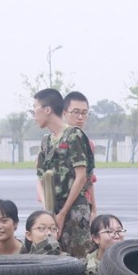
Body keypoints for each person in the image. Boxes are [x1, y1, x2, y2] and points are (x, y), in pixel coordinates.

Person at [32, 88, 94, 259]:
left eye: (34, 109)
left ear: (47, 110)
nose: (33, 115)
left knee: (79, 257)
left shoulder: (74, 136)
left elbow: (82, 177)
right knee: (54, 255)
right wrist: (48, 212)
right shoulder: (46, 141)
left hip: (74, 209)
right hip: (53, 210)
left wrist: (63, 213)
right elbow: (40, 179)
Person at [62, 91, 98, 221]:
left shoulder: (88, 144)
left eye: (84, 113)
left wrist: (94, 210)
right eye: (76, 112)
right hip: (58, 205)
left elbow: (89, 179)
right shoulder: (53, 142)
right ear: (64, 113)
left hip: (80, 207)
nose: (80, 117)